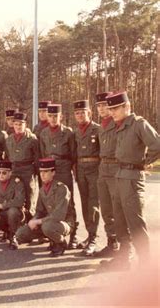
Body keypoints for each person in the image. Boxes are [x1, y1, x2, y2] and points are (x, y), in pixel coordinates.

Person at [103, 92, 160, 269]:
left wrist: (145, 163)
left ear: (127, 107)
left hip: (132, 178)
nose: (112, 112)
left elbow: (157, 145)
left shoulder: (138, 124)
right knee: (119, 221)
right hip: (119, 175)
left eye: (116, 108)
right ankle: (124, 258)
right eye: (110, 108)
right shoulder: (119, 125)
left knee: (135, 223)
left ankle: (145, 264)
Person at [16, 158, 75, 257]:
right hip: (48, 222)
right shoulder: (42, 189)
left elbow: (59, 215)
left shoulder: (61, 188)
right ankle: (52, 240)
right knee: (21, 233)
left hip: (64, 223)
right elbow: (40, 211)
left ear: (53, 172)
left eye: (46, 172)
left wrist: (38, 222)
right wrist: (33, 220)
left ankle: (61, 243)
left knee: (47, 226)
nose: (42, 175)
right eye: (41, 172)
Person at [38, 104, 78, 249]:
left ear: (61, 116)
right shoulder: (43, 133)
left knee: (69, 202)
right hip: (50, 168)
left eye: (56, 116)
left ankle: (73, 235)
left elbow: (74, 154)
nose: (53, 119)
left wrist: (72, 169)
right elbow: (43, 154)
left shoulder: (68, 133)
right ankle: (53, 237)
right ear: (47, 117)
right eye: (50, 116)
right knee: (51, 201)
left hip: (64, 168)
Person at [73, 100, 101, 256]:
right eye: (77, 113)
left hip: (95, 170)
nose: (80, 115)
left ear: (89, 113)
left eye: (82, 112)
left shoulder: (97, 129)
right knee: (84, 204)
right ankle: (89, 235)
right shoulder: (76, 132)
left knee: (93, 204)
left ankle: (93, 238)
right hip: (81, 170)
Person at [94, 92, 121, 257]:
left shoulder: (118, 123)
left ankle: (124, 247)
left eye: (105, 105)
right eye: (99, 106)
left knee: (118, 209)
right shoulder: (100, 127)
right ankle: (112, 243)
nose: (102, 108)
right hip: (103, 168)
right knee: (106, 209)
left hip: (116, 168)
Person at [5, 112, 39, 220]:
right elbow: (7, 156)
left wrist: (36, 173)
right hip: (14, 170)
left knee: (30, 196)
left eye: (21, 124)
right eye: (16, 124)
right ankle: (13, 224)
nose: (18, 127)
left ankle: (30, 220)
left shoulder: (32, 139)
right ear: (13, 125)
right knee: (13, 196)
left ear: (25, 125)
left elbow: (37, 157)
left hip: (27, 170)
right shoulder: (9, 139)